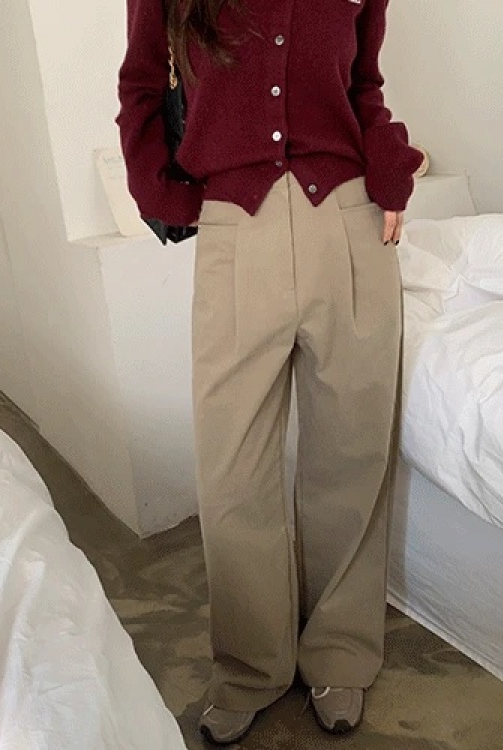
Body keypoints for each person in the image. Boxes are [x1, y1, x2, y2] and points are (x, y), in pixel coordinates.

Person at [115, 0, 424, 744]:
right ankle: (251, 666)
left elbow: (363, 84)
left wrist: (390, 172)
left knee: (350, 453)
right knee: (232, 468)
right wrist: (160, 188)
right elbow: (140, 85)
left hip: (347, 220)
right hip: (235, 227)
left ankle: (340, 654)